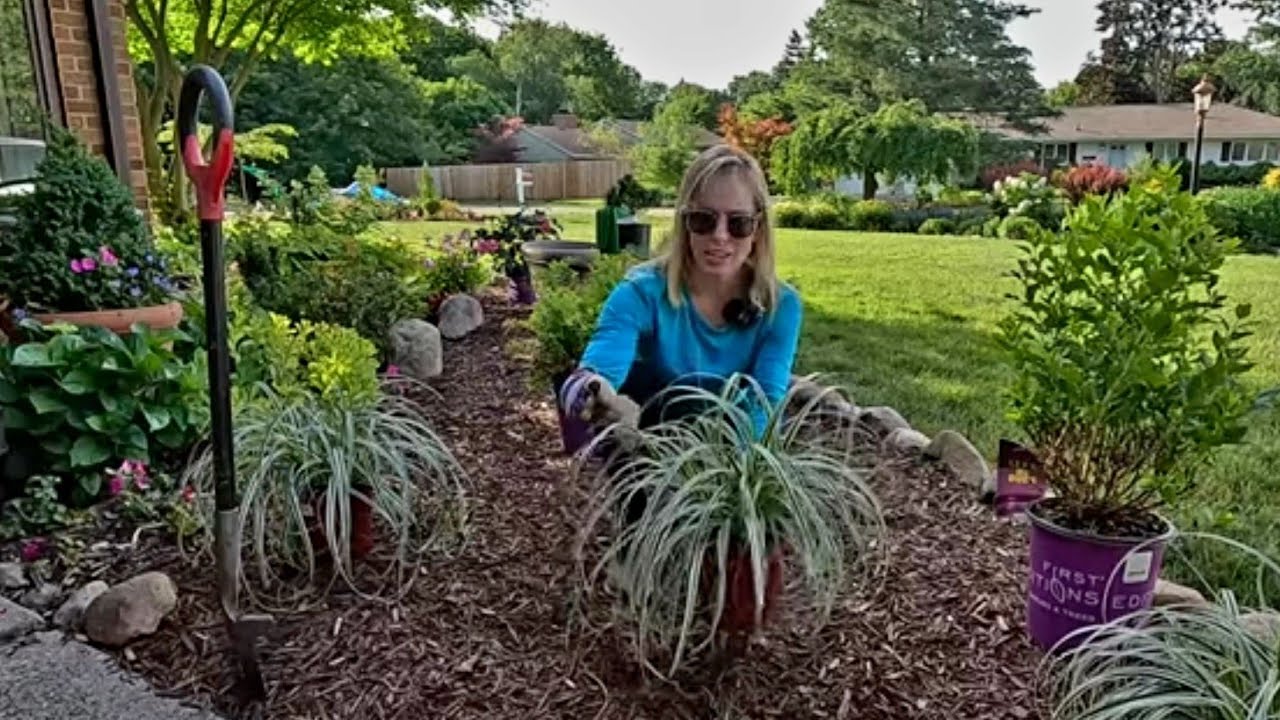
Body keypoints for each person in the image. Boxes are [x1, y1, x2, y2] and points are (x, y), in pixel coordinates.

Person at [558, 144, 804, 447]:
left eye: (739, 223)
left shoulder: (781, 307)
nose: (720, 235)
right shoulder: (641, 292)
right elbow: (590, 376)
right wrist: (595, 393)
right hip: (647, 451)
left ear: (759, 230)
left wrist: (733, 478)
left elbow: (764, 404)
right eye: (704, 219)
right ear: (684, 222)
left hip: (733, 451)